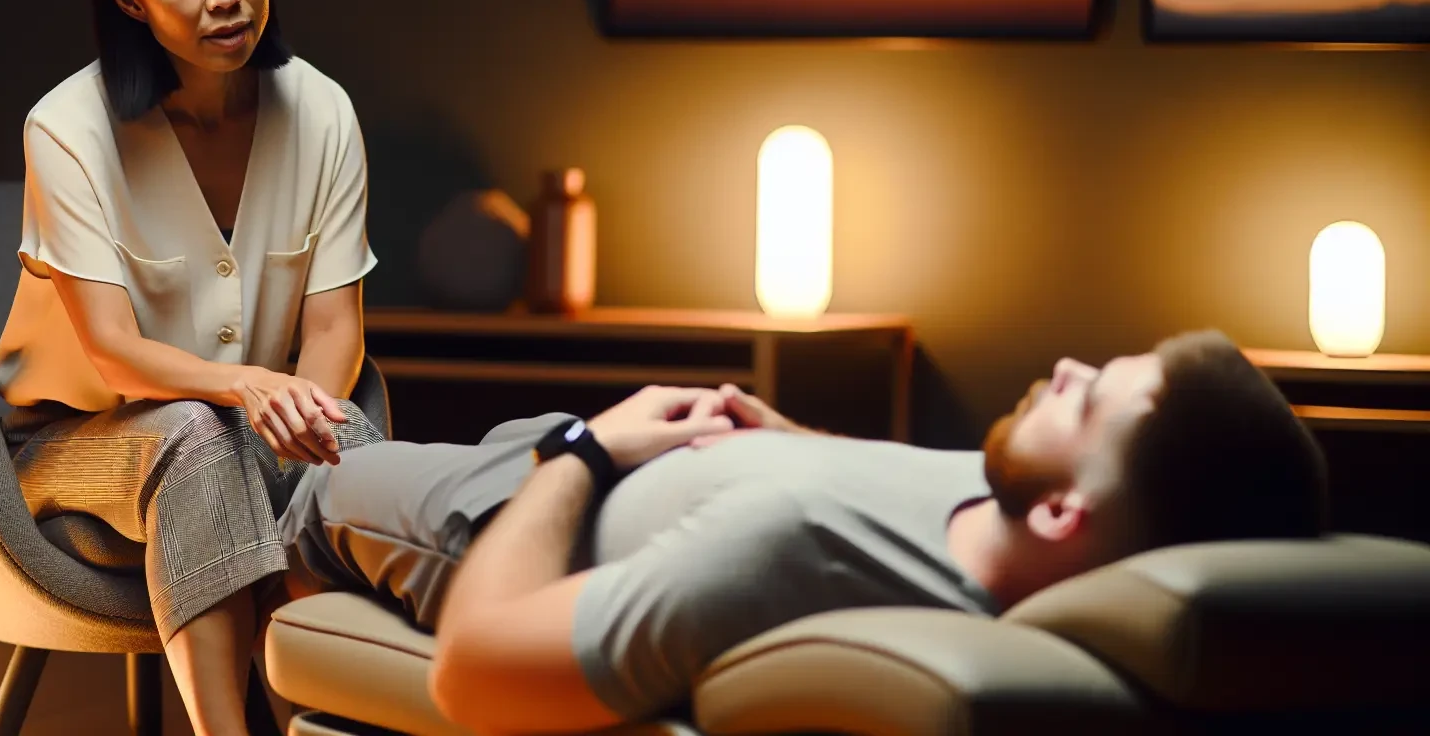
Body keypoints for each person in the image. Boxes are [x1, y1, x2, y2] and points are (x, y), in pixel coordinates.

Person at [277, 330, 1328, 733]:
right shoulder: (1027, 516)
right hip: (641, 458)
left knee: (310, 475)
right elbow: (890, 493)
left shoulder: (783, 549)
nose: (1065, 365)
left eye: (1090, 400)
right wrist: (788, 438)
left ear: (1065, 510)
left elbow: (470, 672)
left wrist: (583, 450)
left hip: (509, 519)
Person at [0, 0, 385, 736]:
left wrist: (304, 416)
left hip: (245, 417)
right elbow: (115, 351)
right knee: (194, 435)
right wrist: (248, 388)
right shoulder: (67, 128)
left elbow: (333, 332)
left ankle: (344, 718)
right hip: (77, 439)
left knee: (345, 436)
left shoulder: (322, 112)